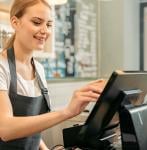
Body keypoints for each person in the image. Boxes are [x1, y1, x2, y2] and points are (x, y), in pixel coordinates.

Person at [0, 0, 105, 149]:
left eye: (48, 24)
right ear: (15, 23)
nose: (45, 31)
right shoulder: (1, 66)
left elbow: (32, 131)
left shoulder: (39, 69)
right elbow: (6, 130)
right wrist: (67, 112)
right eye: (37, 22)